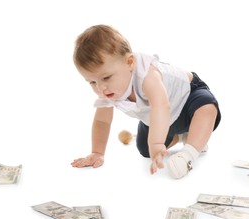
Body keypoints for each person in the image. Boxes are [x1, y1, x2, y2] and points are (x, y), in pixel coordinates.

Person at [71, 24, 221, 179]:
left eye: (106, 77)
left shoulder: (147, 75)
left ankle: (189, 154)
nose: (101, 88)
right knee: (145, 149)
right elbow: (102, 121)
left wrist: (156, 144)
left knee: (206, 108)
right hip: (162, 119)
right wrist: (97, 152)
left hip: (188, 96)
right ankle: (185, 136)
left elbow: (161, 106)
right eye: (92, 82)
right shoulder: (107, 92)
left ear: (130, 62)